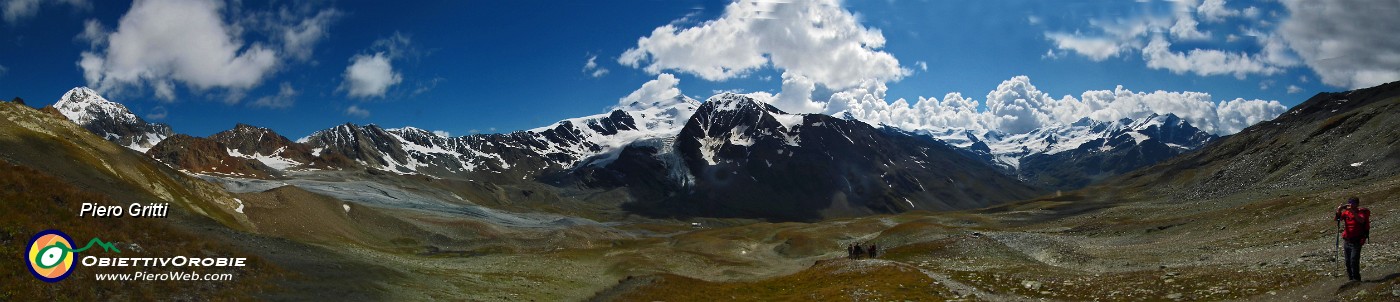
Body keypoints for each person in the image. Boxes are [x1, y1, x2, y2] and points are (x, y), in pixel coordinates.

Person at [1335, 197, 1371, 282]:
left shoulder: (1361, 212)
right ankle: (1351, 279)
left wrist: (1352, 212)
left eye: (1353, 203)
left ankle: (1356, 279)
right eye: (1349, 203)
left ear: (1357, 204)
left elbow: (1361, 221)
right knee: (1347, 261)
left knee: (1354, 260)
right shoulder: (1346, 212)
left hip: (1357, 241)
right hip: (1347, 240)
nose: (1350, 205)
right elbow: (1338, 219)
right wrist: (1339, 210)